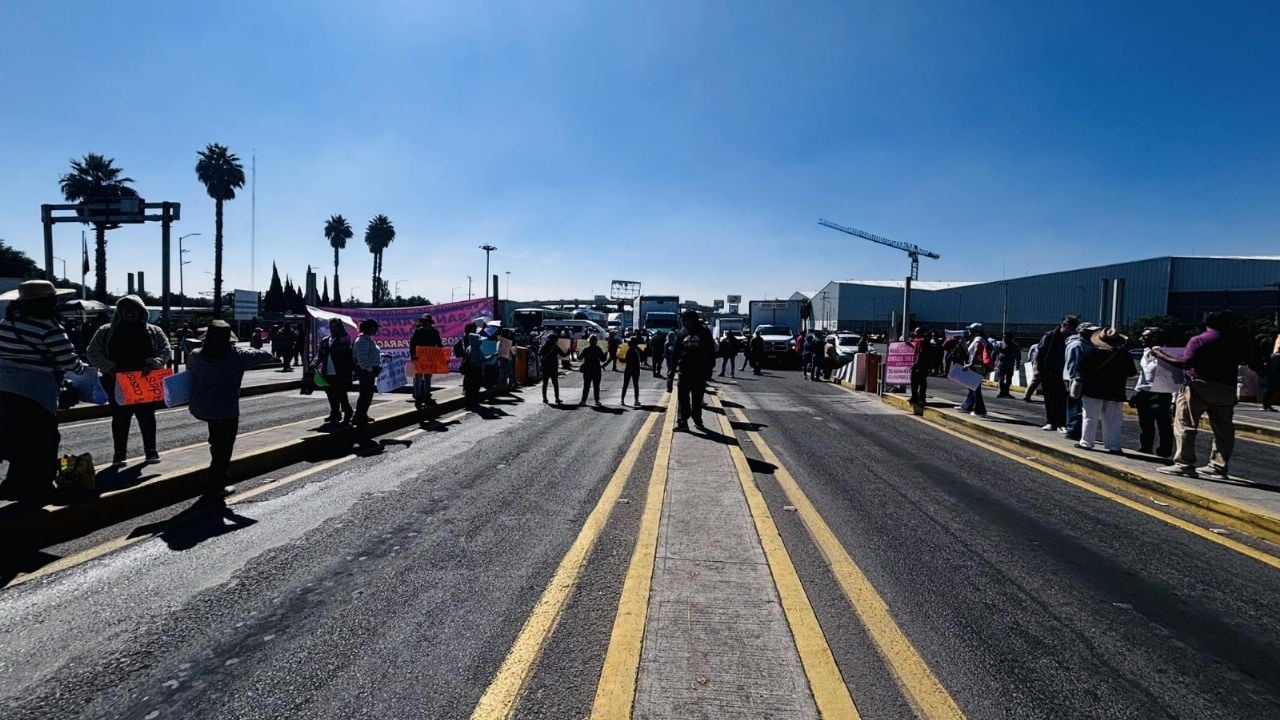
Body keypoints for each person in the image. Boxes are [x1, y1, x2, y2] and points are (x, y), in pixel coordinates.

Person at [0, 280, 85, 503]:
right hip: (34, 390)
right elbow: (68, 361)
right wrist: (83, 370)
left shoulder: (6, 323)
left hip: (4, 388)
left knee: (18, 437)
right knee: (44, 440)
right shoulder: (49, 328)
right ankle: (41, 487)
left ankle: (13, 485)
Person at [186, 320, 274, 505]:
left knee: (216, 440)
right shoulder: (236, 356)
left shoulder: (195, 355)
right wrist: (248, 348)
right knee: (223, 448)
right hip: (225, 410)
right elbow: (266, 355)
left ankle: (216, 475)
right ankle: (217, 484)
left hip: (201, 408)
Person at [1154, 310, 1249, 479]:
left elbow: (1185, 363)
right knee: (1223, 429)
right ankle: (1218, 466)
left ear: (1205, 322)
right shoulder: (1237, 342)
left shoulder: (1199, 340)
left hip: (1199, 385)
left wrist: (1160, 354)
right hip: (1226, 388)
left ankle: (1185, 463)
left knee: (1185, 424)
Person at [87, 295, 172, 466]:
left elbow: (165, 350)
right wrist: (108, 367)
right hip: (117, 381)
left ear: (142, 311)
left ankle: (151, 451)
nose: (129, 312)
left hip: (145, 381)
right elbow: (92, 352)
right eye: (125, 308)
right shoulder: (105, 331)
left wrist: (154, 363)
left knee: (147, 417)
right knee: (120, 419)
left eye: (134, 308)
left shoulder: (154, 331)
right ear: (119, 311)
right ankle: (119, 454)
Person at [1076, 328, 1136, 453]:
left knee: (1090, 417)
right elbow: (1131, 372)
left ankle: (1086, 442)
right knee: (1113, 419)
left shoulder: (1091, 352)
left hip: (1092, 389)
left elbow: (1081, 369)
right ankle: (1114, 445)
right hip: (1115, 390)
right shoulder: (1123, 355)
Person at [1132, 327, 1178, 457]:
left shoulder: (1167, 353)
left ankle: (1164, 451)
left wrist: (1174, 400)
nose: (1141, 339)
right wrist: (1137, 391)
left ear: (1155, 338)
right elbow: (1143, 374)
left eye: (1144, 336)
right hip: (1145, 393)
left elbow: (1174, 377)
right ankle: (1145, 447)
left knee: (1163, 425)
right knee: (1145, 423)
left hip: (1162, 392)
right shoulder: (1146, 351)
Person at [671, 310, 715, 430]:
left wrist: (709, 370)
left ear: (692, 319)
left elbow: (711, 352)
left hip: (699, 371)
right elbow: (675, 352)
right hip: (684, 371)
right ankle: (682, 422)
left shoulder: (704, 332)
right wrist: (672, 370)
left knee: (697, 398)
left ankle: (697, 420)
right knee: (683, 398)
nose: (683, 321)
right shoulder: (682, 332)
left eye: (685, 319)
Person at [1034, 315, 1079, 430]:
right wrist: (1037, 368)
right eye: (1071, 326)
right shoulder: (1050, 336)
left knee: (1063, 399)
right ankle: (1051, 421)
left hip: (1065, 374)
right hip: (1049, 371)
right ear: (1063, 325)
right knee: (1050, 398)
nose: (1073, 329)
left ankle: (1062, 423)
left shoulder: (1074, 338)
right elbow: (1039, 353)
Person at [1062, 323, 1099, 441]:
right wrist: (1074, 381)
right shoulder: (1078, 345)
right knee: (1076, 407)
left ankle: (1075, 430)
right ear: (1082, 332)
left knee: (1078, 406)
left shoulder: (1085, 344)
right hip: (1076, 380)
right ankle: (1073, 431)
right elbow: (1074, 365)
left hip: (1079, 380)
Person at [314, 318, 354, 424]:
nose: (332, 329)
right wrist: (315, 363)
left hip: (341, 371)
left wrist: (340, 331)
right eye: (331, 327)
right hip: (327, 370)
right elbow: (320, 354)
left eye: (335, 326)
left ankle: (347, 411)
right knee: (330, 393)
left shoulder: (344, 338)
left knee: (341, 393)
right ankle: (335, 413)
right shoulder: (326, 340)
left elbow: (346, 350)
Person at [352, 319, 382, 426]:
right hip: (365, 371)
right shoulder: (361, 340)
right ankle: (358, 416)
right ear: (369, 328)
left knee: (367, 394)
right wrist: (370, 369)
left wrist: (382, 356)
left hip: (368, 371)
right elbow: (362, 357)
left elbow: (370, 354)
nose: (377, 330)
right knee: (365, 394)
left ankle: (362, 414)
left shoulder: (367, 339)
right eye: (375, 327)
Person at [409, 314, 443, 406]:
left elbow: (439, 345)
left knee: (428, 377)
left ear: (429, 322)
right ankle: (418, 395)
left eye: (426, 321)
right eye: (423, 321)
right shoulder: (418, 332)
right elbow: (412, 345)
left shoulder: (434, 332)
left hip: (430, 358)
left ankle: (427, 394)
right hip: (419, 357)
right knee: (418, 378)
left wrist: (441, 357)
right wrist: (413, 355)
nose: (424, 323)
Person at [957, 323, 990, 417]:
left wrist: (971, 364)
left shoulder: (978, 339)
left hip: (977, 367)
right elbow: (969, 351)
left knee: (975, 388)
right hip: (977, 366)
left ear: (976, 331)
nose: (969, 331)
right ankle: (967, 406)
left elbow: (976, 351)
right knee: (972, 387)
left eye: (971, 330)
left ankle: (980, 410)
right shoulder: (978, 339)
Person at [578, 334, 608, 405]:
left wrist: (578, 352)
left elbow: (579, 357)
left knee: (586, 386)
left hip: (587, 369)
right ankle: (596, 400)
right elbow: (603, 359)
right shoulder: (598, 349)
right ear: (596, 341)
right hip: (596, 369)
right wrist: (605, 353)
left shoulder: (586, 349)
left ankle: (583, 401)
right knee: (596, 386)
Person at [539, 332, 568, 404]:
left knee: (545, 383)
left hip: (545, 366)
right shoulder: (556, 347)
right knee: (555, 383)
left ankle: (544, 398)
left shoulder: (545, 346)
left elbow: (539, 353)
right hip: (553, 367)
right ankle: (557, 398)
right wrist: (568, 352)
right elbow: (563, 355)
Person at [993, 333, 1020, 398]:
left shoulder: (1015, 345)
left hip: (1011, 364)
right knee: (1001, 379)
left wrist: (1017, 364)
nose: (1004, 338)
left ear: (1010, 338)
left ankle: (1007, 392)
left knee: (1009, 379)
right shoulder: (1000, 344)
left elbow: (1018, 355)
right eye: (1004, 337)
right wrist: (993, 361)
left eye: (1006, 337)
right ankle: (1002, 392)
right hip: (1001, 364)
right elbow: (994, 353)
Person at [909, 327, 930, 405]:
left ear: (919, 332)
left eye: (915, 331)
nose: (914, 333)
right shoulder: (919, 341)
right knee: (920, 382)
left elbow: (920, 353)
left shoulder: (921, 341)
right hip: (922, 365)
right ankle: (918, 398)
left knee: (917, 382)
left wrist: (916, 365)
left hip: (920, 365)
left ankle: (918, 398)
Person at [621, 335, 643, 406]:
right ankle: (636, 400)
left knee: (625, 385)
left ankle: (622, 400)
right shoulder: (637, 350)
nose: (628, 343)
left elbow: (627, 360)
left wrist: (619, 359)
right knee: (636, 385)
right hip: (636, 369)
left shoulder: (630, 350)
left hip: (629, 369)